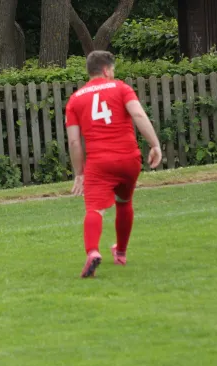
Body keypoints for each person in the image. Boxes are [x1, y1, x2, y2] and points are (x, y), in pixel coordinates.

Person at [65, 50, 162, 278]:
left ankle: (93, 252)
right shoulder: (121, 88)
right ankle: (120, 252)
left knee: (94, 209)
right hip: (129, 159)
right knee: (124, 201)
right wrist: (155, 144)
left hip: (99, 163)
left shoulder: (76, 99)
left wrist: (79, 172)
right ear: (107, 70)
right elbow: (138, 115)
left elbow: (73, 140)